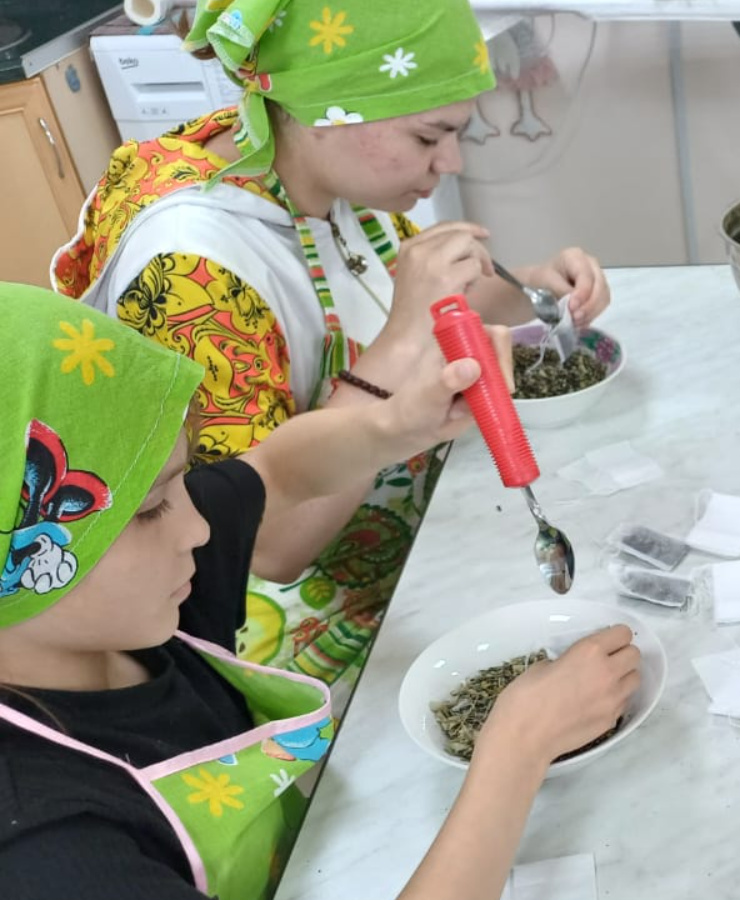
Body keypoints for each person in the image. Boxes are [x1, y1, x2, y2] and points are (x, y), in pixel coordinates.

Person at [0, 282, 640, 900]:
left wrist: (396, 425)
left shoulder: (110, 611)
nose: (198, 527)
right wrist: (517, 748)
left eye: (180, 484)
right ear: (28, 554)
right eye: (150, 510)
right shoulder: (42, 849)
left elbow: (276, 472)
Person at [51, 0, 611, 699]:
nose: (451, 161)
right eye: (429, 135)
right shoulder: (192, 272)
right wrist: (400, 343)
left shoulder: (323, 173)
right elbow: (269, 548)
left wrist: (531, 287)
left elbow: (412, 304)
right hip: (280, 632)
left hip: (389, 534)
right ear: (324, 110)